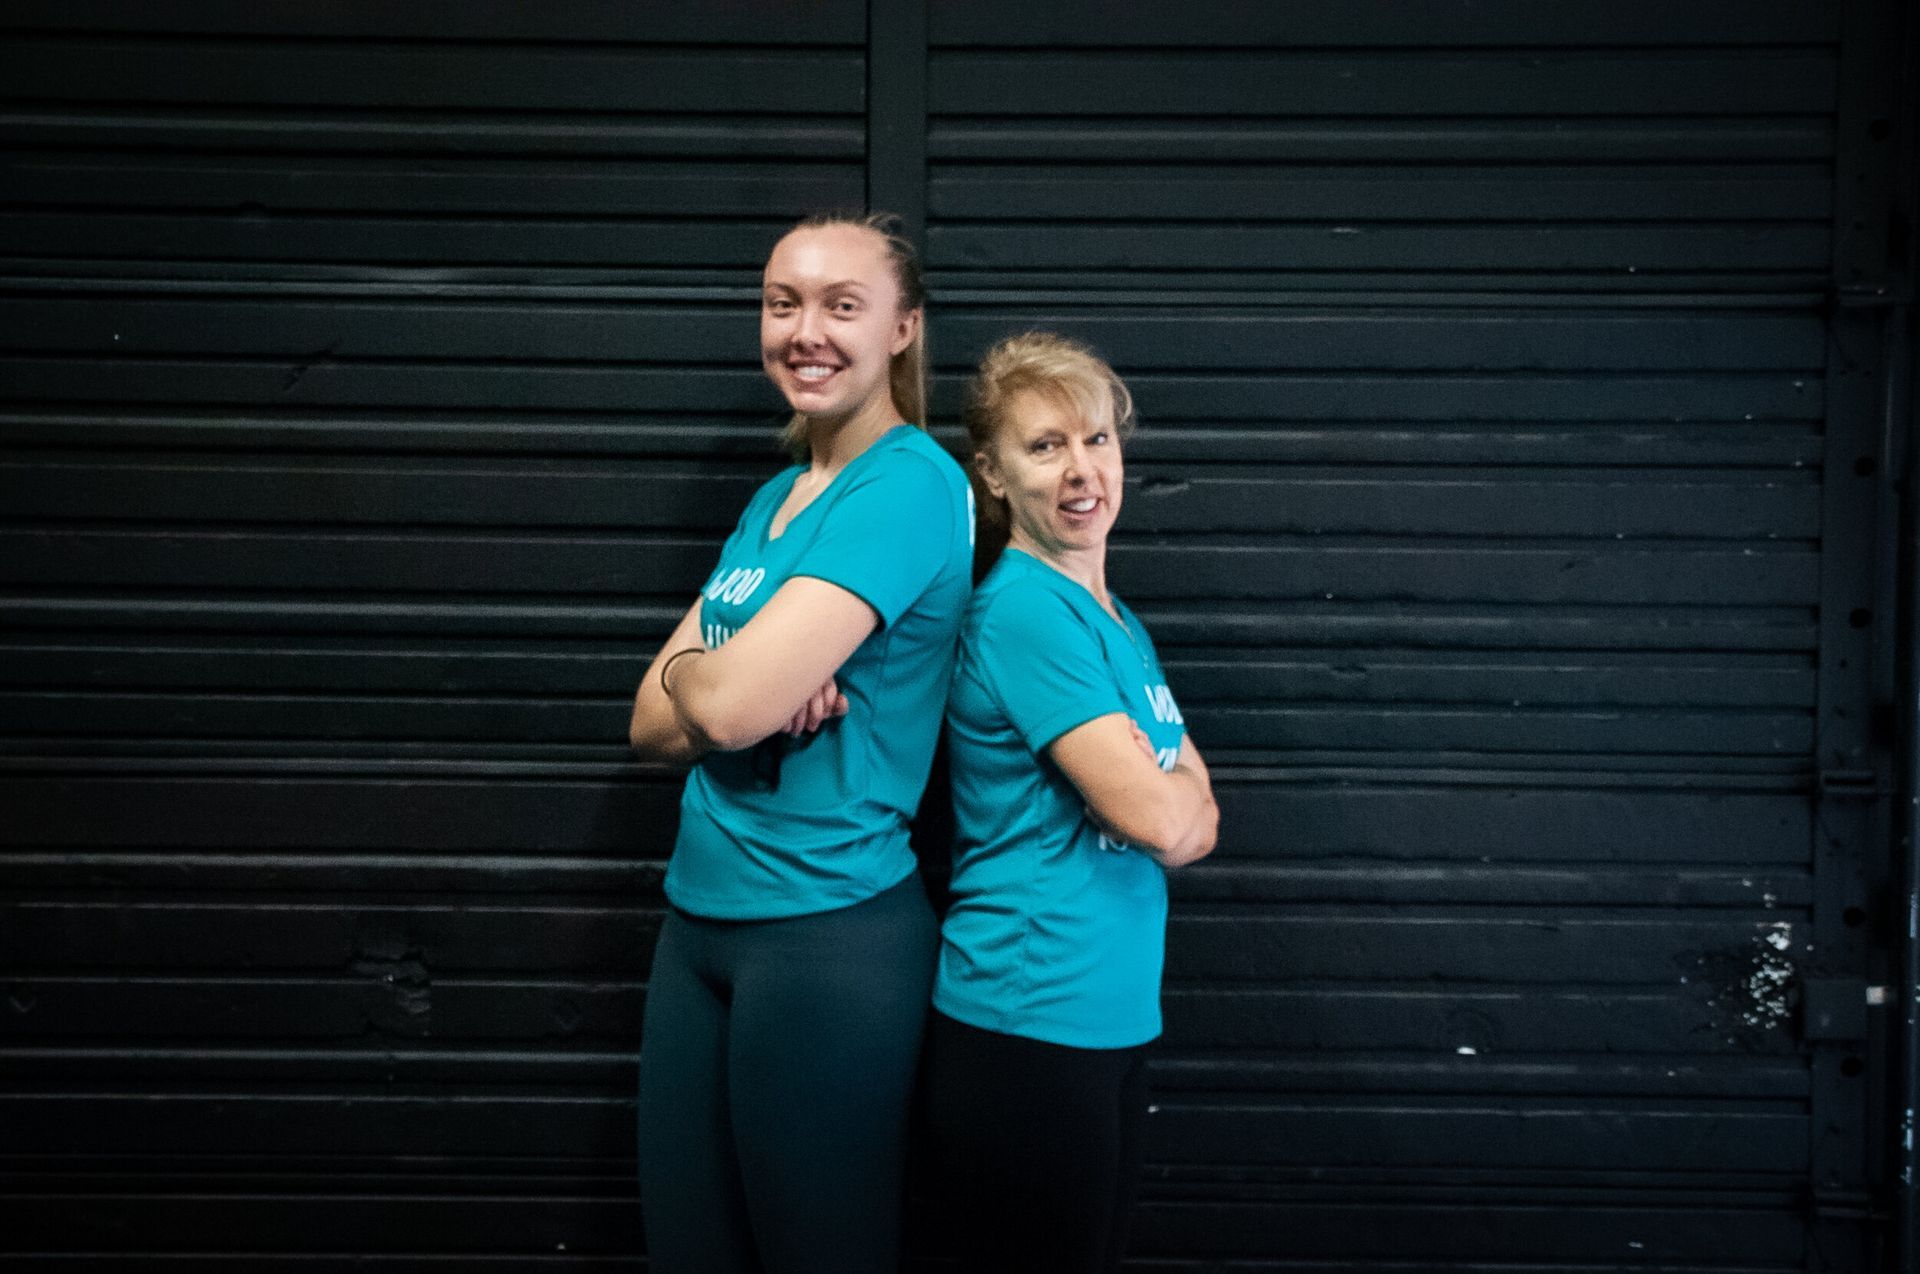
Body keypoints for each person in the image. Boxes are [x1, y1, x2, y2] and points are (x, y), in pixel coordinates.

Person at [627, 211, 972, 1274]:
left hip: (825, 937)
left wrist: (714, 680)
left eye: (841, 305)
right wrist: (722, 676)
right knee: (690, 1253)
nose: (805, 331)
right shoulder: (778, 496)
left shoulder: (910, 483)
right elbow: (649, 723)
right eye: (784, 303)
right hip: (698, 924)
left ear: (903, 328)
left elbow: (718, 716)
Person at [926, 332, 1220, 1274]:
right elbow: (1171, 820)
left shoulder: (1114, 621)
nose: (1082, 469)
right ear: (994, 474)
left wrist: (1163, 794)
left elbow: (1197, 814)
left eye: (1097, 440)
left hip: (1110, 1015)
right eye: (1046, 446)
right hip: (1028, 1021)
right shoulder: (1024, 612)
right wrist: (1163, 797)